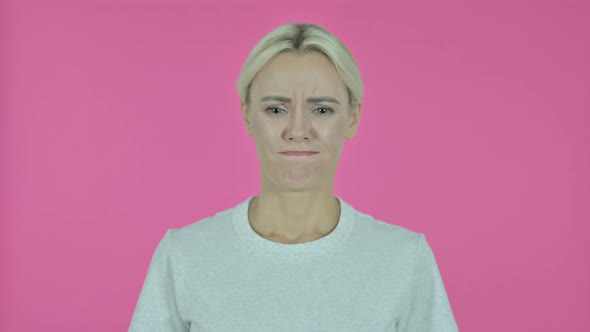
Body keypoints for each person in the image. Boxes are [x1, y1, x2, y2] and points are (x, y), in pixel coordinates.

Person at [128, 22, 459, 331]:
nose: (298, 130)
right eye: (276, 109)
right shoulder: (184, 255)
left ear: (353, 118)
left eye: (322, 110)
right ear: (246, 115)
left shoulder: (404, 258)